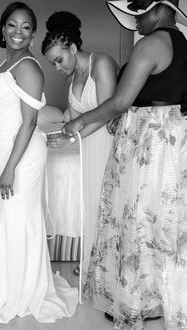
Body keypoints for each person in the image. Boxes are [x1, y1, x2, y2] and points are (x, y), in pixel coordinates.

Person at [63, 0, 187, 329]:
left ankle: (136, 304)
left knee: (136, 222)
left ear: (161, 10)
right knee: (162, 226)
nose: (135, 23)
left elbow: (120, 101)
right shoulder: (182, 43)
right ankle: (156, 300)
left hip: (149, 141)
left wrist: (80, 121)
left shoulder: (152, 43)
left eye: (139, 15)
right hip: (173, 140)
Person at [0, 2, 78, 324]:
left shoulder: (29, 67)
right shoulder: (4, 65)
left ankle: (24, 291)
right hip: (5, 148)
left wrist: (8, 170)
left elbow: (29, 122)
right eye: (12, 25)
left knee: (18, 219)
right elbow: (0, 115)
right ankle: (9, 285)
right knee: (8, 218)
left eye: (26, 27)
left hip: (23, 156)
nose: (18, 32)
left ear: (33, 34)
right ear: (2, 29)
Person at [41, 11, 119, 281]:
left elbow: (109, 111)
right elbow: (73, 121)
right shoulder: (69, 80)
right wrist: (59, 135)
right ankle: (91, 262)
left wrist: (73, 135)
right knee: (91, 204)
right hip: (88, 146)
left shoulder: (102, 63)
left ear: (73, 48)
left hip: (109, 142)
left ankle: (109, 268)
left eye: (59, 60)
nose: (58, 67)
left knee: (108, 204)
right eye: (52, 63)